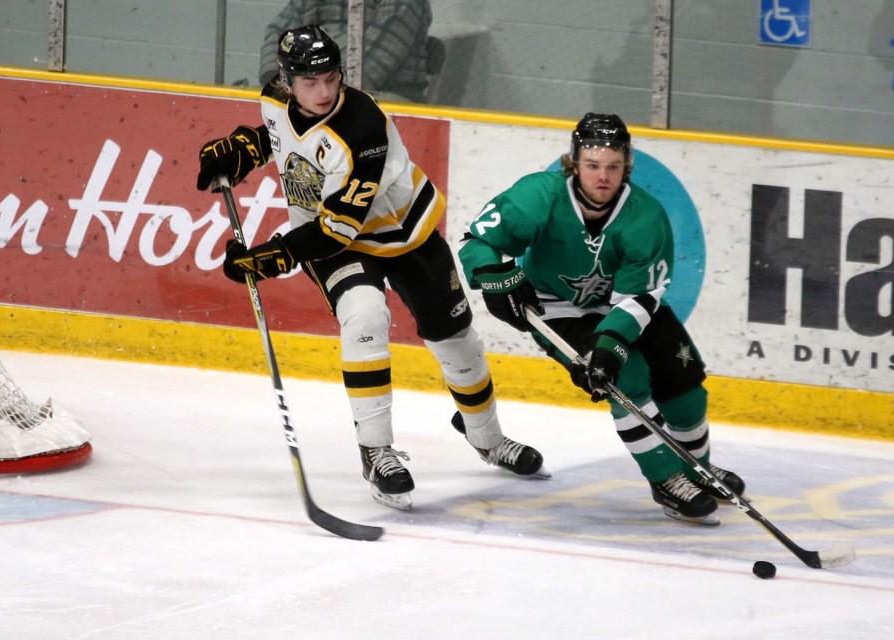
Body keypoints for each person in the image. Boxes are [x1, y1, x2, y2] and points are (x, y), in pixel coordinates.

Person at [197, 25, 546, 510]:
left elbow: (340, 224)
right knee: (364, 317)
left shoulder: (364, 124)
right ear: (286, 81)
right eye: (310, 82)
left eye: (331, 78)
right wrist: (245, 150)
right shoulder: (274, 99)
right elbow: (281, 136)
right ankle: (377, 451)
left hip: (402, 234)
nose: (322, 91)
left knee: (455, 337)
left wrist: (276, 255)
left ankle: (488, 438)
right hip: (337, 245)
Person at [457, 113, 746, 526]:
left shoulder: (645, 217)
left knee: (684, 382)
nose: (603, 176)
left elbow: (640, 296)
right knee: (625, 379)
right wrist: (494, 276)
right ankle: (666, 478)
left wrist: (611, 342)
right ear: (574, 164)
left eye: (613, 166)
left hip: (626, 305)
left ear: (626, 166)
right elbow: (478, 240)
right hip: (554, 306)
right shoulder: (539, 195)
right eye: (593, 166)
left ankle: (697, 467)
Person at [258, 0, 432, 103]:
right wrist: (281, 82)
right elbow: (278, 33)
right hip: (315, 87)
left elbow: (371, 65)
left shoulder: (406, 3)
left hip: (384, 99)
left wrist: (309, 79)